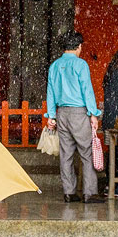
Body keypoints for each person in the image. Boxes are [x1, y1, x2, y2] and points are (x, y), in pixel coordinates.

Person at [45, 32, 99, 202]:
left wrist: (51, 115)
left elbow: (51, 92)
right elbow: (87, 90)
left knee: (66, 154)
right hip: (79, 113)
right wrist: (93, 113)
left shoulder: (54, 65)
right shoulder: (80, 65)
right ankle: (89, 192)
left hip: (62, 114)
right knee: (86, 152)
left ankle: (69, 192)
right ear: (78, 47)